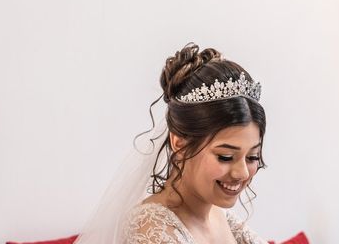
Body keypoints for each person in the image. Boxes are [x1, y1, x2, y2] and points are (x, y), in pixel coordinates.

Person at [75, 43, 269, 244]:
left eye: (252, 157)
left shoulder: (220, 215)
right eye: (225, 157)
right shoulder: (149, 228)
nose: (243, 173)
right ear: (179, 143)